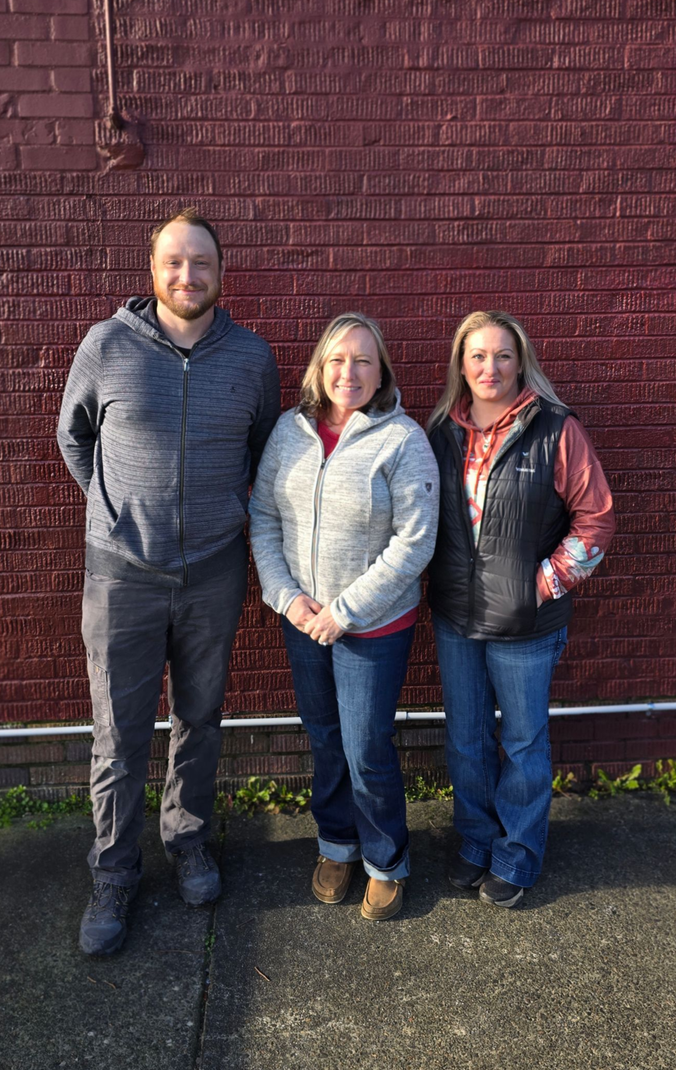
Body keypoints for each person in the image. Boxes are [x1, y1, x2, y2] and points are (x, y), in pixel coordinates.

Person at [57, 208, 280, 955]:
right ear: (153, 270)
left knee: (199, 718)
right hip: (122, 576)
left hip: (213, 569)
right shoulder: (106, 345)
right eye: (174, 262)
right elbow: (73, 436)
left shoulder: (251, 357)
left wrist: (222, 512)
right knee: (119, 733)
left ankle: (187, 840)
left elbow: (261, 449)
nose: (188, 275)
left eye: (201, 262)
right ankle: (113, 872)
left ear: (221, 272)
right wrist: (114, 510)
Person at [249, 312, 439, 922]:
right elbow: (263, 516)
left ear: (381, 372)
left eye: (362, 360)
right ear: (319, 369)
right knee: (325, 738)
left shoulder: (402, 440)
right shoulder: (289, 431)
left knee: (366, 746)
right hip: (304, 621)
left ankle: (386, 861)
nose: (348, 372)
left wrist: (345, 612)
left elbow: (415, 543)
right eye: (336, 359)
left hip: (373, 628)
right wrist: (286, 597)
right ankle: (337, 843)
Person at [427, 310, 615, 908]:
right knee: (466, 739)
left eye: (503, 355)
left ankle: (518, 853)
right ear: (461, 365)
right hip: (456, 616)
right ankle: (476, 840)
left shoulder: (556, 428)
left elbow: (596, 521)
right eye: (478, 355)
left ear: (520, 361)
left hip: (527, 622)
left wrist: (543, 583)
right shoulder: (441, 431)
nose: (491, 367)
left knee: (524, 742)